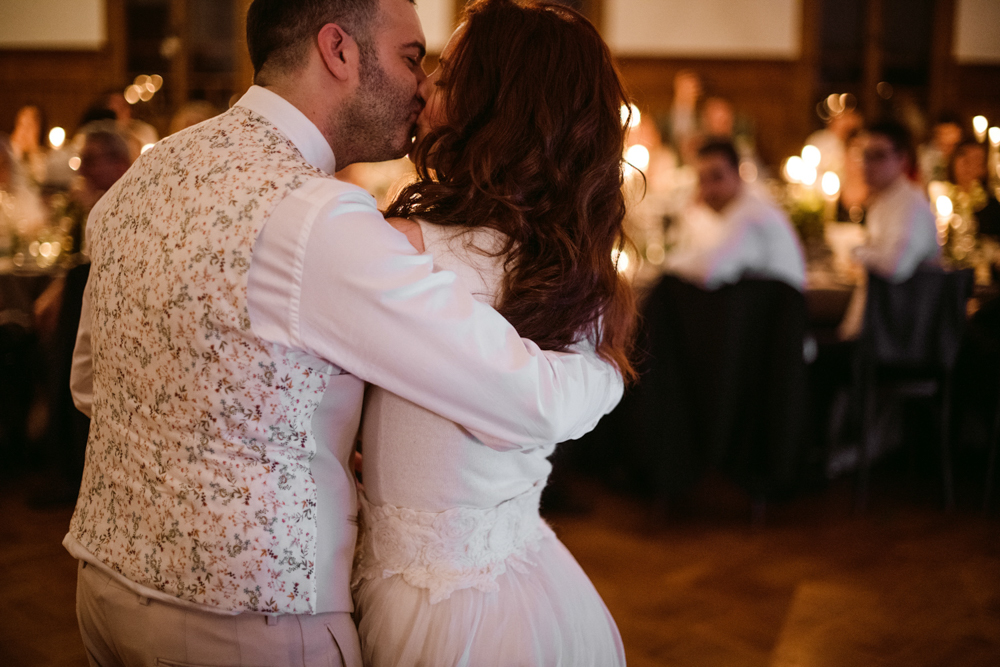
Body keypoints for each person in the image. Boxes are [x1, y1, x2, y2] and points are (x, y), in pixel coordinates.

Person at [65, 0, 624, 665]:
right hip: (245, 615)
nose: (423, 86)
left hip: (100, 588)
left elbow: (93, 385)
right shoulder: (320, 221)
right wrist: (607, 368)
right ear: (338, 50)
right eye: (412, 59)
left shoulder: (140, 179)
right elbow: (525, 395)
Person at [350, 2, 633, 665]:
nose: (424, 87)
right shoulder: (563, 261)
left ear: (494, 108)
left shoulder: (404, 247)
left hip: (441, 609)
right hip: (531, 584)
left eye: (446, 78)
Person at [839, 119, 940, 339]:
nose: (867, 164)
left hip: (900, 340)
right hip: (883, 333)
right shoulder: (884, 201)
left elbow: (896, 265)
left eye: (878, 155)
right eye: (864, 155)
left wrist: (857, 251)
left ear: (902, 159)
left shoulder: (910, 204)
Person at [663, 140, 806, 292]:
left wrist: (666, 266)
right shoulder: (740, 211)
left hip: (777, 311)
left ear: (739, 174)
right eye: (702, 180)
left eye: (717, 177)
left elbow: (711, 270)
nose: (708, 189)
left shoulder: (752, 214)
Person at [948, 138, 1000, 238]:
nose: (969, 166)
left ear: (984, 169)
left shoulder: (992, 208)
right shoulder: (939, 198)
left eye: (976, 160)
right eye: (965, 159)